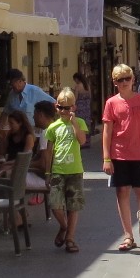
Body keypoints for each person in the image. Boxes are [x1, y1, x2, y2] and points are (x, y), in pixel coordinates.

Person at [103, 64, 140, 251]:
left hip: (139, 154)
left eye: (127, 79)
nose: (124, 83)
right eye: (119, 80)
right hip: (119, 154)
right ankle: (128, 235)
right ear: (114, 82)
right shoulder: (111, 103)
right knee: (122, 193)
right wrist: (106, 157)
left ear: (133, 80)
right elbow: (107, 132)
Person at [39, 89, 87, 254]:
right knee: (55, 204)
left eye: (68, 108)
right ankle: (64, 227)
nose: (64, 111)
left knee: (73, 206)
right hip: (58, 170)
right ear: (56, 107)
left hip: (75, 170)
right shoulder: (53, 127)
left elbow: (82, 140)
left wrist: (74, 123)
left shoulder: (79, 122)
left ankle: (70, 238)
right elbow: (49, 152)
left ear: (74, 107)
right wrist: (47, 172)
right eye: (61, 108)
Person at [72, 72, 93, 148]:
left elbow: (75, 98)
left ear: (77, 79)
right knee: (87, 124)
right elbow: (90, 96)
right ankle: (87, 141)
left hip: (80, 108)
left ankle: (81, 142)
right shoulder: (87, 85)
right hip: (86, 107)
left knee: (80, 123)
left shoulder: (77, 86)